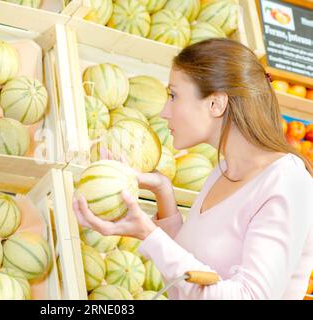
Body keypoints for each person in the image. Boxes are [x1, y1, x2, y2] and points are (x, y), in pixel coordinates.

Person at [73, 38, 313, 300]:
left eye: (173, 95)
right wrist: (162, 191)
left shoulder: (288, 181)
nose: (165, 111)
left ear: (216, 104)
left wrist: (149, 233)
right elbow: (190, 277)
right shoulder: (224, 169)